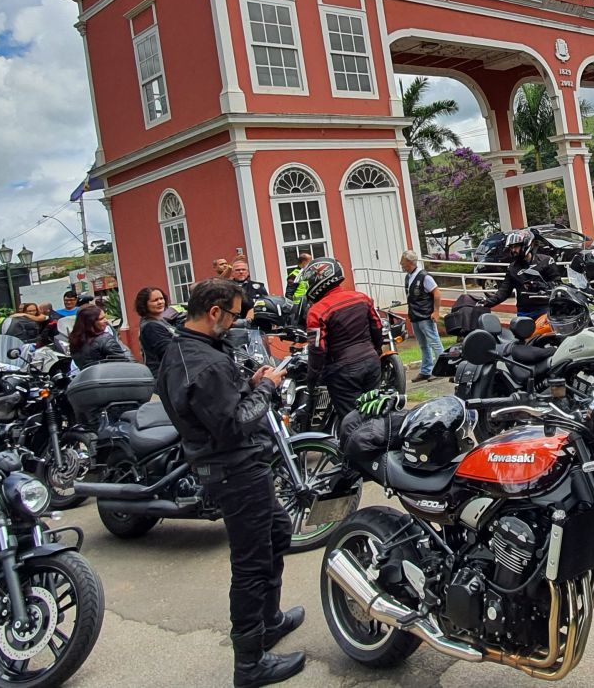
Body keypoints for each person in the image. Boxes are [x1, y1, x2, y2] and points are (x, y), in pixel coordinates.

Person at [155, 278, 305, 687]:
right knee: (251, 561)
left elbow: (220, 406)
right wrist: (268, 389)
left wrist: (250, 385)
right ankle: (249, 664)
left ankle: (268, 621)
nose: (239, 321)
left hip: (233, 463)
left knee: (276, 530)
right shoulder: (204, 362)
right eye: (236, 314)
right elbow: (233, 424)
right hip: (234, 468)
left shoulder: (188, 350)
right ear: (215, 312)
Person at [301, 258, 383, 421]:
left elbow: (317, 348)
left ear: (318, 279)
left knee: (353, 420)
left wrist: (312, 377)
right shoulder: (361, 297)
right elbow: (377, 326)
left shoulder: (318, 310)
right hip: (371, 362)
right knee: (375, 413)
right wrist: (376, 350)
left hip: (342, 370)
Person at [478, 231, 561, 321]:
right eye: (511, 247)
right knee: (519, 332)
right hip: (524, 312)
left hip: (545, 309)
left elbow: (557, 285)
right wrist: (486, 302)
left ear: (527, 244)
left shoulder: (546, 261)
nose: (513, 250)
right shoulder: (512, 268)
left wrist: (538, 285)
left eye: (516, 246)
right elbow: (504, 291)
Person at [400, 250, 444, 382]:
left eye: (402, 261)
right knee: (423, 345)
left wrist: (436, 312)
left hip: (425, 316)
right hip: (415, 316)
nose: (401, 264)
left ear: (409, 261)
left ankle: (442, 369)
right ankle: (426, 370)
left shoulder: (425, 276)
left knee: (434, 342)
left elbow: (437, 293)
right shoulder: (408, 277)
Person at [68, 303, 133, 368]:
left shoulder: (74, 342)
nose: (106, 321)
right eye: (101, 319)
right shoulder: (105, 339)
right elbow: (125, 365)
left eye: (105, 317)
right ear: (90, 322)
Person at [135, 287, 176, 377]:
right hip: (162, 376)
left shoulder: (160, 320)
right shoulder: (151, 326)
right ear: (144, 304)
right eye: (155, 300)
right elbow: (169, 352)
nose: (160, 302)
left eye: (161, 298)